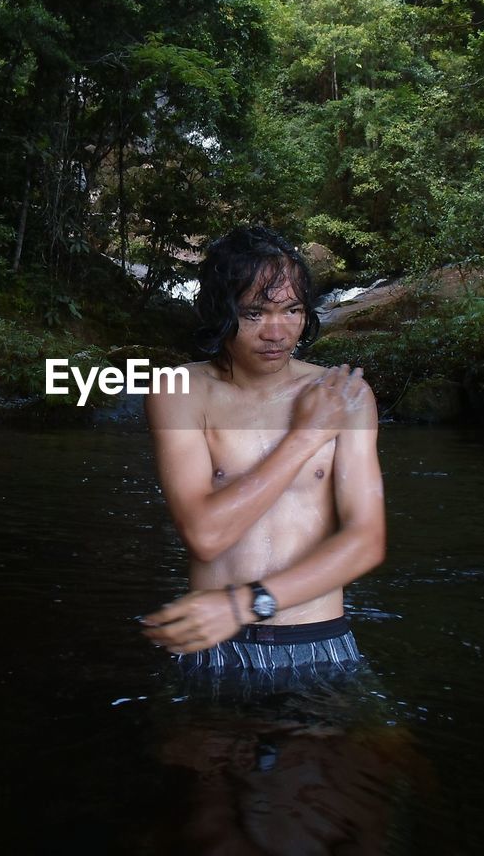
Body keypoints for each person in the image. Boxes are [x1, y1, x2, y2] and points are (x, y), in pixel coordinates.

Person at [141, 225, 386, 685]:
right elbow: (205, 535)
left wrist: (244, 604)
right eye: (255, 313)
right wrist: (306, 435)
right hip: (214, 645)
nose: (277, 331)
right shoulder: (179, 390)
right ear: (221, 311)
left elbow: (366, 541)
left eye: (292, 310)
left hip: (320, 640)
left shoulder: (345, 396)